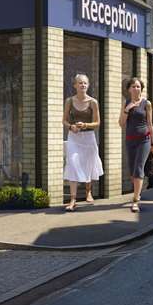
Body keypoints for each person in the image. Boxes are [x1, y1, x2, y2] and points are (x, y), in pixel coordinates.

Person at [63, 73, 102, 210]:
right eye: (80, 83)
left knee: (88, 164)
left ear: (88, 85)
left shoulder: (93, 102)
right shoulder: (69, 101)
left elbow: (97, 123)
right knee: (72, 164)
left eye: (85, 83)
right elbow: (64, 120)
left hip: (88, 137)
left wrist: (85, 125)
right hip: (74, 137)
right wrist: (71, 126)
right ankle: (72, 199)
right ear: (75, 85)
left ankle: (88, 191)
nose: (83, 85)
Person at [123, 77, 152, 213]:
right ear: (129, 89)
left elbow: (150, 124)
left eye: (138, 86)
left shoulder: (147, 104)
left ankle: (135, 201)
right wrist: (127, 109)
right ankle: (137, 192)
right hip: (130, 140)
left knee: (138, 169)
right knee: (132, 170)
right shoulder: (126, 103)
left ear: (141, 88)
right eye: (133, 86)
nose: (136, 89)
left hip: (144, 140)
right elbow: (121, 123)